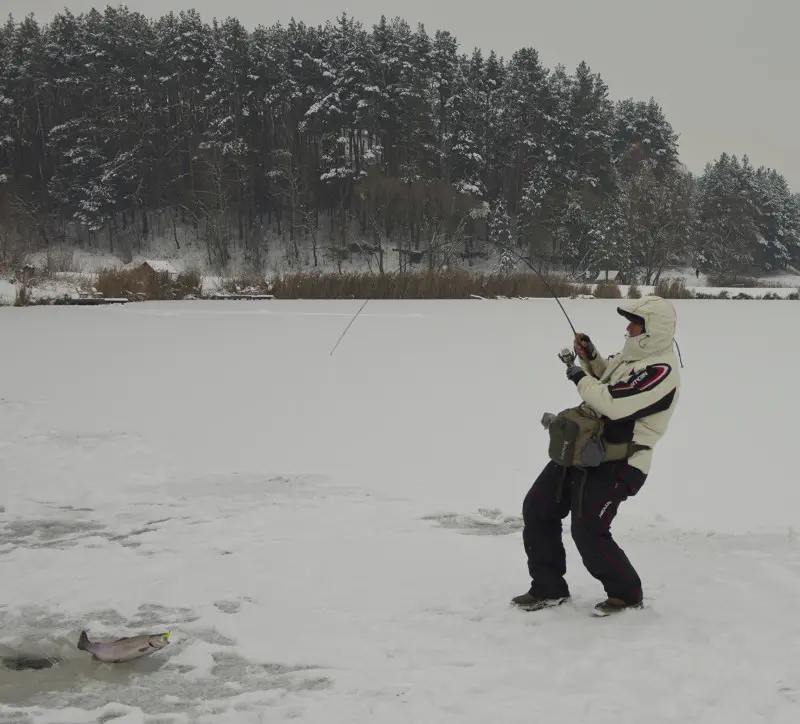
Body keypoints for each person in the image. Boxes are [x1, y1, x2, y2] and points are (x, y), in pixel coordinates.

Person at [512, 295, 681, 616]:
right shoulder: (630, 358)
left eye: (635, 323)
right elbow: (608, 378)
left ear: (653, 330)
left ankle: (626, 594)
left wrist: (579, 376)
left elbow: (613, 403)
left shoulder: (661, 371)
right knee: (538, 508)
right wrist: (591, 358)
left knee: (588, 528)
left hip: (621, 462)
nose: (628, 328)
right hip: (582, 448)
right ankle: (548, 587)